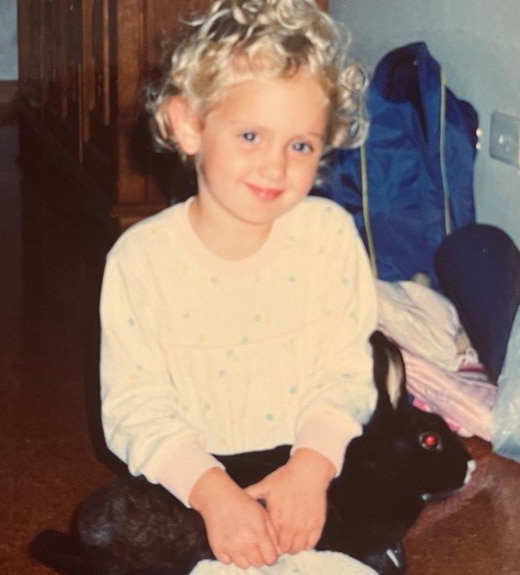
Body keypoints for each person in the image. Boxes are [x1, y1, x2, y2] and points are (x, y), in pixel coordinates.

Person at [98, 0, 377, 570]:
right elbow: (135, 406)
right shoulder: (141, 259)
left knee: (376, 513)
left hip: (306, 464)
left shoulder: (328, 238)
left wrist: (312, 467)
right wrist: (212, 493)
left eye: (300, 145)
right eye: (251, 135)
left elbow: (346, 372)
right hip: (196, 478)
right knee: (121, 527)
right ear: (189, 125)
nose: (276, 168)